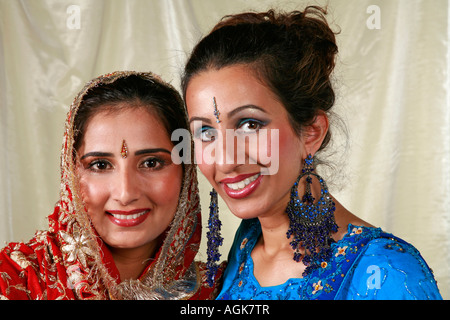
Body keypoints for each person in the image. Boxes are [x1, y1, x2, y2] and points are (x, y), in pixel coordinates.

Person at [181, 7, 442, 299]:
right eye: (205, 132)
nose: (226, 160)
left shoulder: (386, 273)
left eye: (249, 124)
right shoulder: (248, 243)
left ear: (311, 132)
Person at [0, 71, 222, 300]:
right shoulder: (17, 280)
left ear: (186, 172)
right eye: (100, 165)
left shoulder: (220, 292)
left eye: (151, 163)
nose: (126, 194)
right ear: (71, 173)